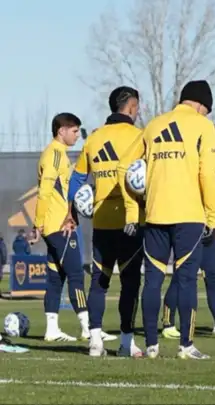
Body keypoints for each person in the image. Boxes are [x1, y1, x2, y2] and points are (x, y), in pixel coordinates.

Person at [117, 80, 215, 359]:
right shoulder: (203, 126)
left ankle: (151, 345)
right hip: (189, 215)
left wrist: (133, 208)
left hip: (155, 214)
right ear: (201, 104)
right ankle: (186, 346)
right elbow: (207, 174)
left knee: (152, 280)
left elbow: (124, 166)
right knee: (186, 280)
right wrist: (213, 215)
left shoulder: (154, 125)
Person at [70, 86, 145, 356]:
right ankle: (126, 343)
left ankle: (95, 341)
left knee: (99, 283)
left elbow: (77, 179)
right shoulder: (139, 137)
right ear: (132, 107)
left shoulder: (94, 138)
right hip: (130, 220)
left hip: (101, 220)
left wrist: (72, 210)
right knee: (130, 283)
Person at [161, 126, 215, 339]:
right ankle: (168, 322)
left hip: (210, 230)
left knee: (213, 275)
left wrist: (213, 224)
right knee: (182, 275)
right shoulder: (193, 167)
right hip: (191, 227)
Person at [30, 113, 90, 342]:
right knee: (76, 274)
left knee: (56, 278)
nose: (77, 135)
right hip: (57, 228)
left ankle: (52, 329)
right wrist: (38, 224)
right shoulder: (54, 154)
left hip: (56, 225)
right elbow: (44, 192)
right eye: (74, 131)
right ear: (61, 131)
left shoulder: (60, 154)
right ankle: (88, 328)